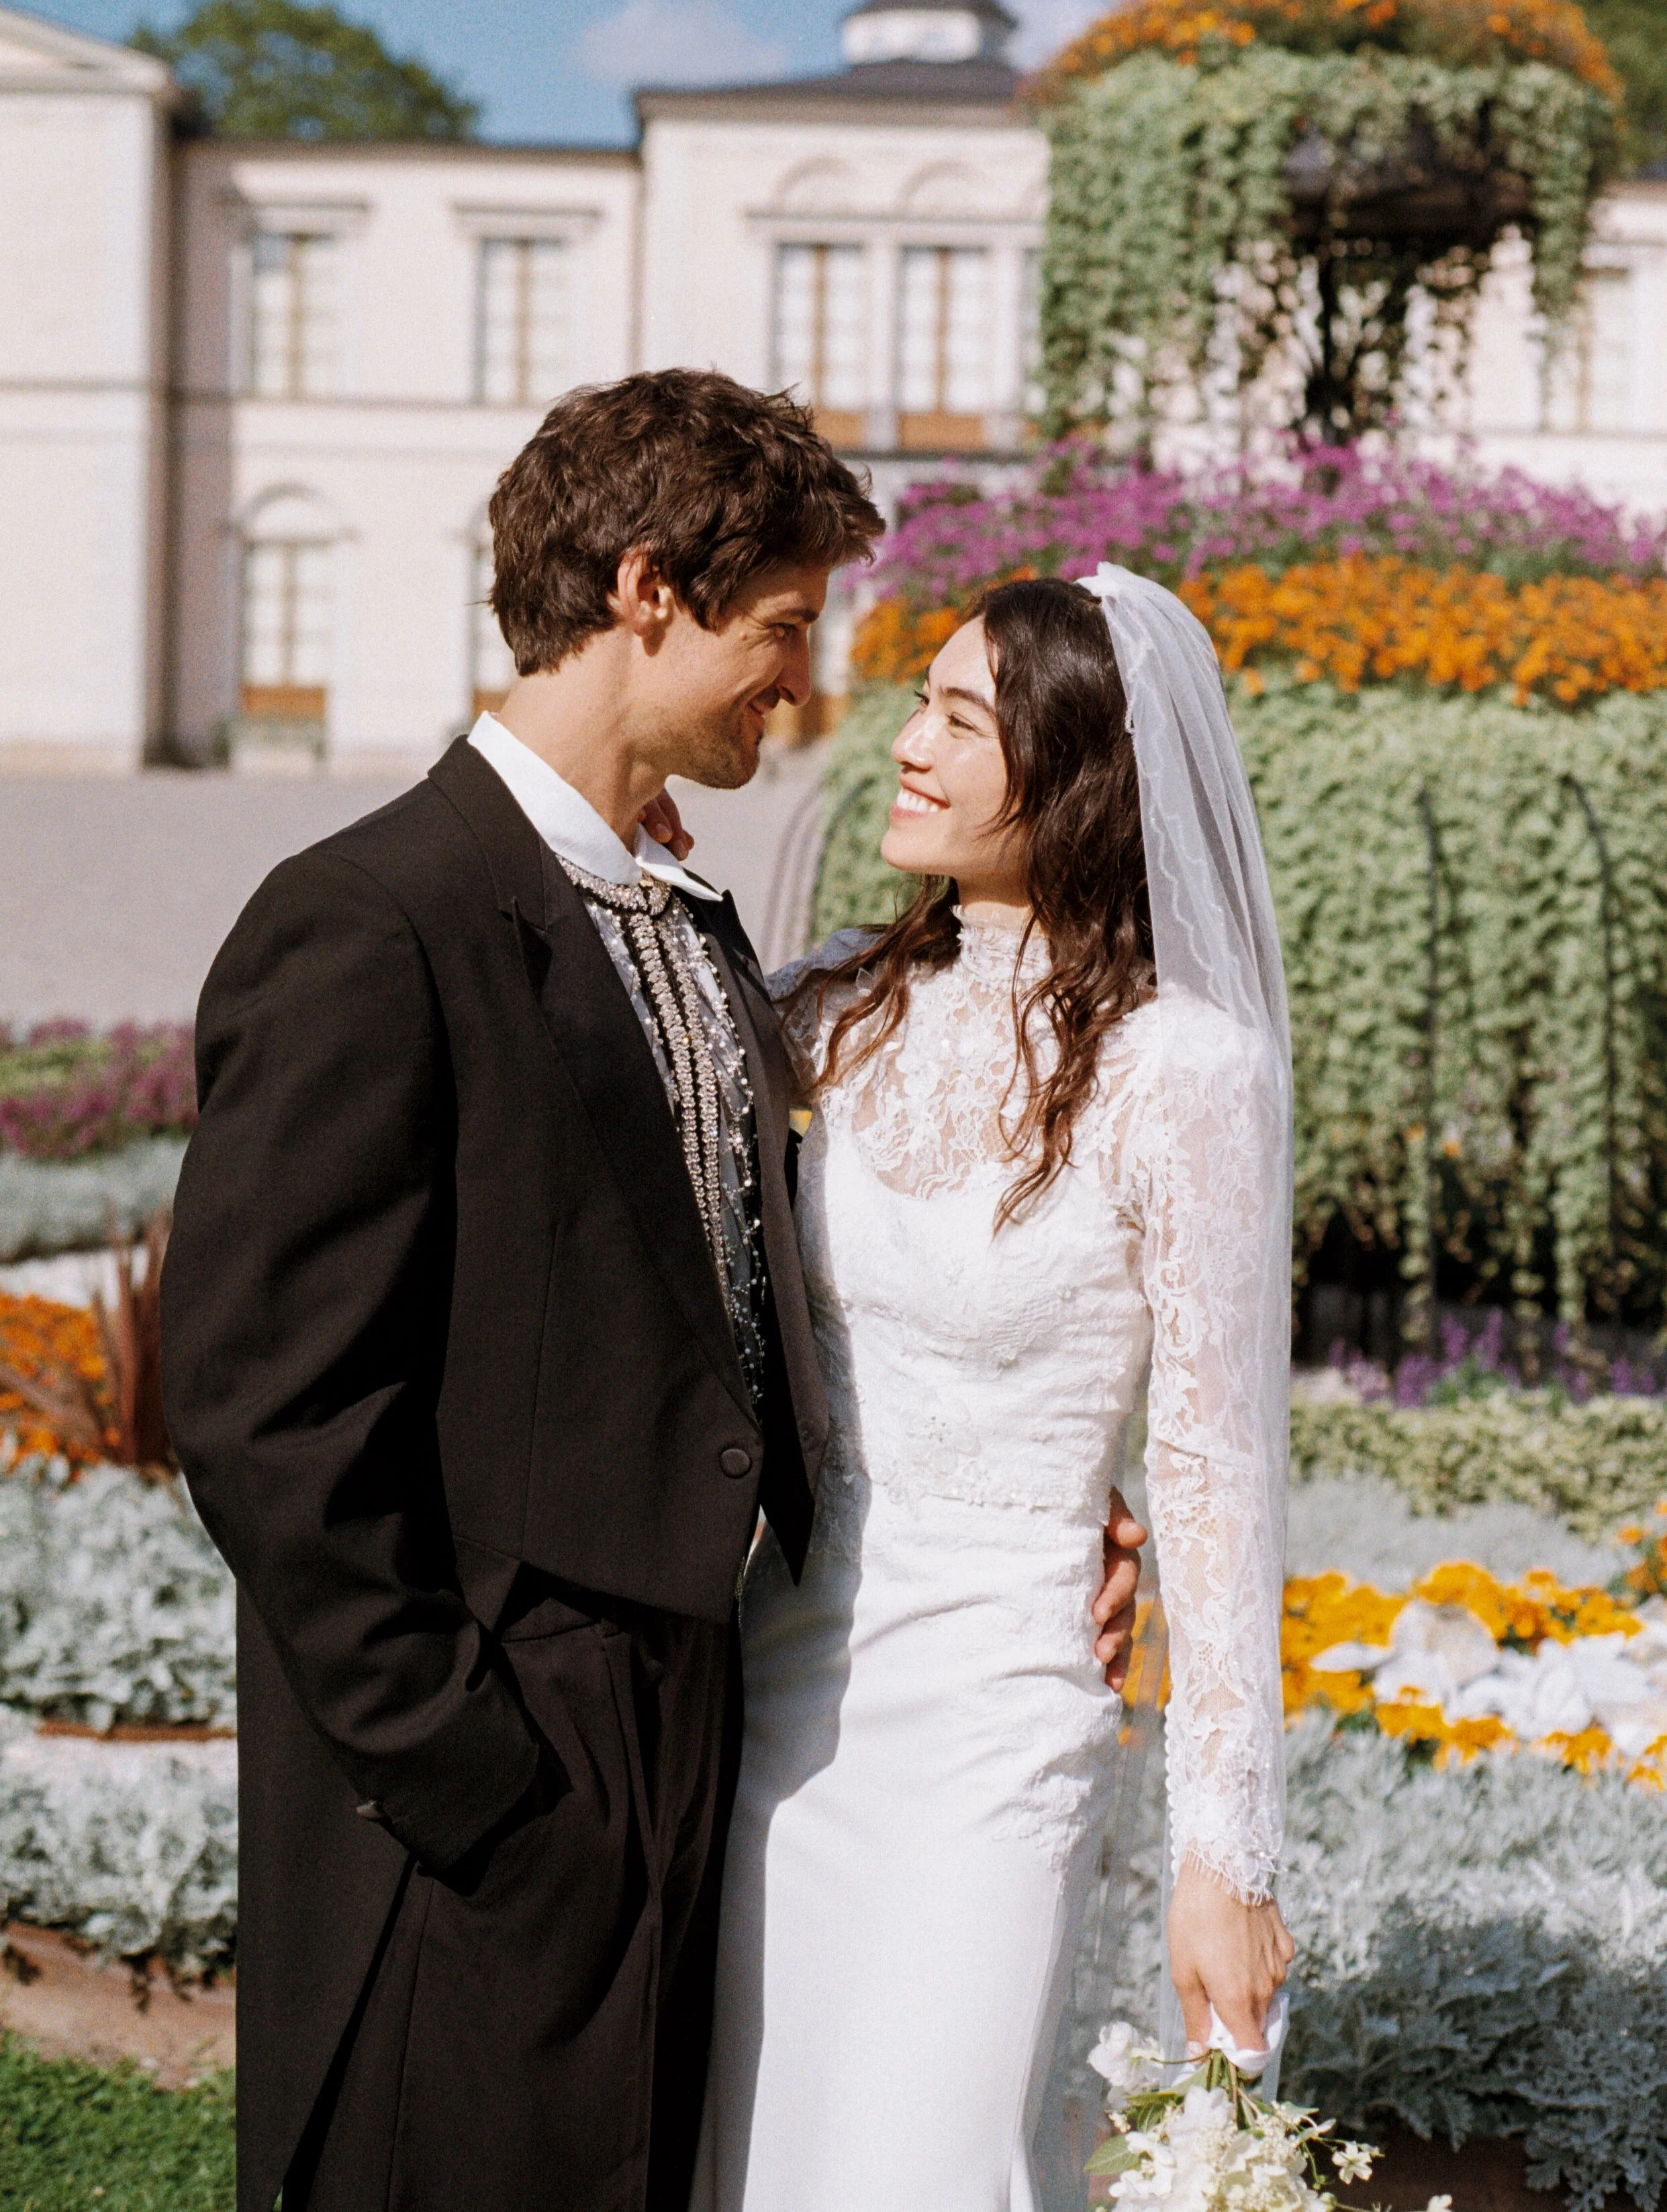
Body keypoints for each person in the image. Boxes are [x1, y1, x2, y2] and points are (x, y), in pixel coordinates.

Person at [158, 370, 1145, 2212]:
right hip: (482, 1782)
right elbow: (261, 1410)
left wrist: (1023, 1499)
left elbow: (754, 1295)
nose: (804, 684)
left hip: (702, 1740)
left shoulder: (684, 923)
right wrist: (476, 1776)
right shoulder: (371, 917)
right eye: (780, 628)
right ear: (642, 592)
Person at [692, 571, 1296, 2212]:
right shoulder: (829, 1007)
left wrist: (1221, 1857)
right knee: (744, 2145)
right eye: (921, 702)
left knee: (917, 2156)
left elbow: (1216, 1471)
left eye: (966, 718)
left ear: (1083, 769)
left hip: (995, 1705)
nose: (906, 744)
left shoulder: (1184, 1075)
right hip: (778, 1676)